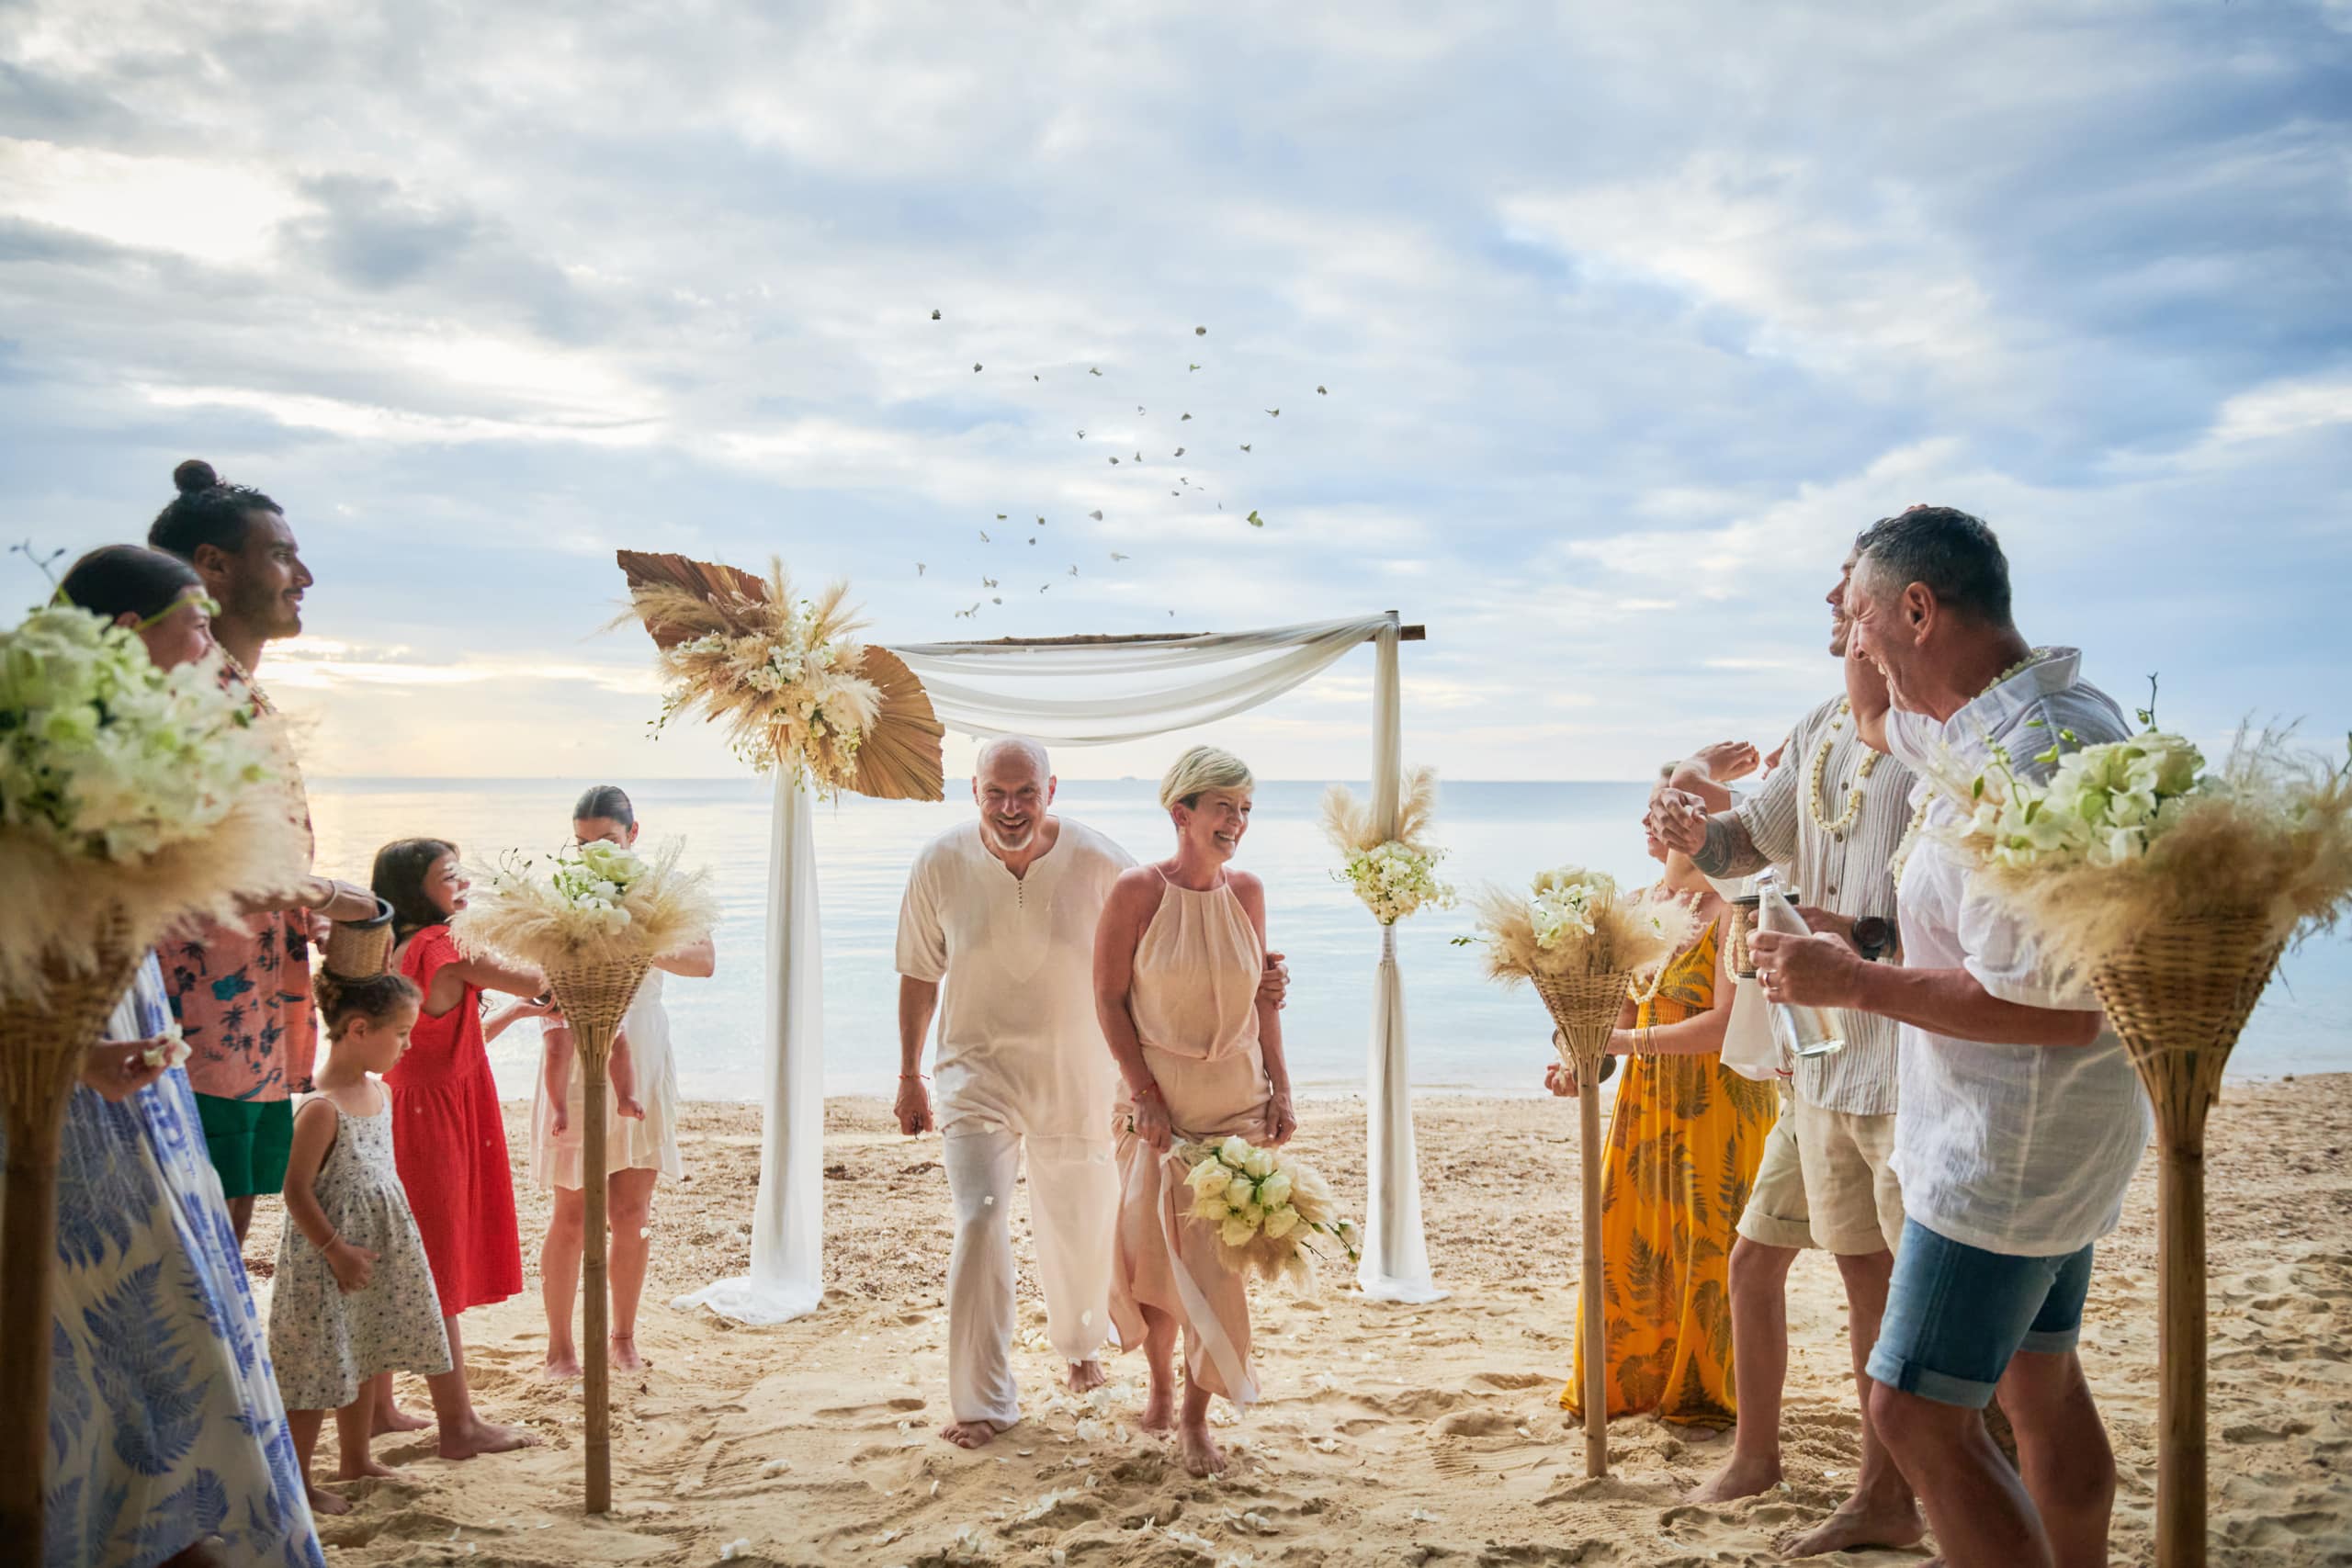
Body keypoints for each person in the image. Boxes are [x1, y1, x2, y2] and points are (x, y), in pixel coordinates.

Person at [1751, 506, 2141, 1568]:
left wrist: (1853, 981)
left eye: (1868, 617)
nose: (1853, 640)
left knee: (1912, 1415)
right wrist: (1855, 618)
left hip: (2006, 1148)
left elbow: (2056, 1009)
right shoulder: (1997, 722)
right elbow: (1878, 723)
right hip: (2043, 1139)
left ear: (1919, 609)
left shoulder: (2039, 761)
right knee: (2038, 1379)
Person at [37, 544, 325, 1568]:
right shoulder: (45, 760)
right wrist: (67, 1058)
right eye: (192, 621)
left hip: (134, 1067)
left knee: (190, 1326)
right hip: (60, 1095)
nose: (207, 642)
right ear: (126, 636)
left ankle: (190, 1539)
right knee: (141, 1342)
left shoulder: (142, 756)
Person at [1648, 538, 1925, 1556]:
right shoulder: (1815, 728)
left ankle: (1887, 1492)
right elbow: (1739, 849)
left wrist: (1855, 937)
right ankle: (1860, 1487)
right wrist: (1688, 822)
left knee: (1890, 1289)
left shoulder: (1934, 735)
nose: (1826, 596)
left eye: (1845, 581)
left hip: (1909, 1057)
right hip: (1815, 1055)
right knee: (1855, 1278)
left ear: (1904, 603)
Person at [148, 461, 376, 1246]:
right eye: (282, 555)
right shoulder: (183, 688)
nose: (303, 575)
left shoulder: (238, 689)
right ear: (213, 565)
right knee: (190, 1257)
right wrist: (329, 895)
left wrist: (293, 912)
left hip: (248, 1017)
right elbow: (173, 854)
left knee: (223, 1248)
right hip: (191, 1026)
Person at [893, 739, 1138, 1447]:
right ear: (973, 793)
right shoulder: (939, 862)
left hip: (1077, 1071)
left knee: (1079, 1214)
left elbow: (1151, 955)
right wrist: (910, 1072)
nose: (1009, 808)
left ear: (1051, 789)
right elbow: (917, 972)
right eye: (995, 793)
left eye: (1024, 792)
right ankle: (983, 1400)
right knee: (980, 1216)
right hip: (974, 1074)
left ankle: (1080, 1345)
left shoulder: (1101, 860)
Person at [1095, 745, 1296, 1478]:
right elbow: (1107, 1000)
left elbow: (1261, 1001)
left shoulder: (1248, 890)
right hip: (1157, 1107)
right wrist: (1144, 1095)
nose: (1237, 822)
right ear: (1181, 812)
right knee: (1153, 1261)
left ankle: (1193, 1415)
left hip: (1235, 1103)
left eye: (1246, 809)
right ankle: (1155, 1380)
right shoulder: (1135, 891)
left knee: (1216, 1269)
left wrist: (1282, 1085)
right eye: (1224, 807)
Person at [1544, 803, 1775, 1428]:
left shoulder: (1740, 908)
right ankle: (1630, 1384)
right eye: (1650, 808)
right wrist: (1583, 1066)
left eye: (1671, 808)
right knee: (1629, 1236)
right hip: (1646, 1100)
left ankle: (1700, 1395)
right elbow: (1618, 1014)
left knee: (1705, 1246)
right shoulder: (1636, 903)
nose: (1653, 820)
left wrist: (1626, 1044)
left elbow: (1727, 1024)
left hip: (1720, 1102)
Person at [370, 837, 547, 1458]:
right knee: (436, 1263)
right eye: (451, 876)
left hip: (400, 1104)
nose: (465, 882)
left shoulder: (394, 943)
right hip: (436, 1117)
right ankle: (459, 1425)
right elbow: (539, 977)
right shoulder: (443, 945)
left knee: (398, 1254)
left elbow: (442, 1035)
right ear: (419, 888)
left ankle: (378, 1407)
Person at [532, 784, 716, 1378]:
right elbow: (538, 975)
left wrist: (638, 934)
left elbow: (704, 961)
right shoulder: (561, 888)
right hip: (580, 1046)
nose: (591, 853)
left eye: (605, 840)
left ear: (632, 835)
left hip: (645, 1047)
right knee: (571, 1211)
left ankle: (623, 1336)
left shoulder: (661, 889)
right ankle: (560, 1345)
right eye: (581, 841)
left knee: (632, 1211)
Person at [271, 971, 453, 1517]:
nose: (407, 1043)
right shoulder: (320, 1107)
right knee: (314, 1369)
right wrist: (336, 1250)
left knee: (367, 1351)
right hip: (326, 1260)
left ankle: (355, 1459)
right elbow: (295, 1192)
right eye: (400, 1033)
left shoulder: (381, 1092)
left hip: (377, 1249)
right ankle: (297, 1481)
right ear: (357, 1029)